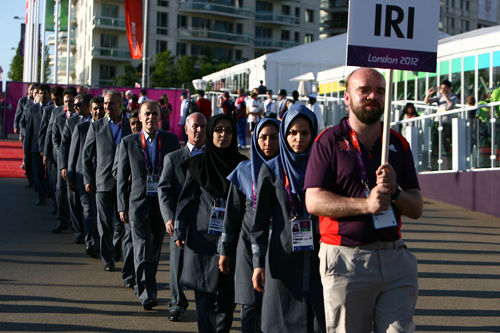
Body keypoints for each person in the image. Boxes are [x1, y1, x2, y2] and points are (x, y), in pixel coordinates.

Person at [304, 68, 422, 332]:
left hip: (394, 259)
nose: (373, 96)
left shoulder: (398, 143)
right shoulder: (329, 141)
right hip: (346, 260)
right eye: (364, 90)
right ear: (347, 97)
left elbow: (416, 207)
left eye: (380, 91)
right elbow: (313, 201)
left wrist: (397, 193)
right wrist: (365, 205)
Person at [251, 105, 324, 333]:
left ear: (313, 133)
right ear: (285, 134)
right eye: (292, 132)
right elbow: (260, 222)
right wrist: (257, 263)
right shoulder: (271, 170)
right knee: (281, 325)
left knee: (320, 322)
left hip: (319, 260)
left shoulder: (324, 167)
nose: (298, 138)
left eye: (305, 133)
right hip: (283, 260)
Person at [173, 114, 247, 332]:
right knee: (203, 294)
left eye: (228, 131)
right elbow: (185, 200)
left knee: (227, 295)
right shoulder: (197, 164)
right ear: (210, 133)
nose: (223, 135)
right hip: (202, 238)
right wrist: (179, 229)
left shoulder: (243, 165)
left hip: (232, 239)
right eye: (218, 130)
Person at [117, 100, 180, 310]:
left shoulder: (170, 140)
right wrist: (121, 206)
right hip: (137, 202)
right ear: (140, 117)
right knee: (142, 248)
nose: (151, 118)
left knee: (153, 250)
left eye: (155, 114)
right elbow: (121, 177)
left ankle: (144, 282)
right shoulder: (128, 142)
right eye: (147, 114)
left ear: (160, 116)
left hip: (161, 205)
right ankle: (147, 293)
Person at [220, 118, 280, 333]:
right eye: (263, 137)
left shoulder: (290, 170)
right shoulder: (244, 170)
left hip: (279, 245)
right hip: (248, 246)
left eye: (274, 137)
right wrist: (225, 250)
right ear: (255, 139)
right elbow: (233, 214)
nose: (268, 143)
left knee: (277, 308)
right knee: (250, 307)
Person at [158, 112, 207, 321]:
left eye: (203, 126)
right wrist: (169, 217)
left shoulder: (211, 158)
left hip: (206, 220)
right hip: (180, 220)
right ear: (186, 129)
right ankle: (176, 302)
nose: (199, 130)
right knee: (177, 264)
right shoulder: (173, 158)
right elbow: (164, 190)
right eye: (195, 126)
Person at [83, 89, 132, 272]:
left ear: (120, 104)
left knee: (121, 221)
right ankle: (107, 258)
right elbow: (86, 155)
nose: (107, 107)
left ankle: (117, 247)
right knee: (104, 223)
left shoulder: (129, 126)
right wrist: (88, 178)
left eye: (111, 103)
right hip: (102, 181)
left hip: (124, 182)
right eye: (105, 103)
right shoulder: (96, 126)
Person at [67, 96, 105, 258]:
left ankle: (103, 243)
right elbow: (73, 153)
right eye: (95, 108)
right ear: (90, 110)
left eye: (101, 108)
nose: (98, 111)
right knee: (89, 211)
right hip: (84, 176)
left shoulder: (111, 129)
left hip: (104, 178)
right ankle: (91, 243)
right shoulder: (81, 128)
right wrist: (70, 176)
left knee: (102, 213)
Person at [55, 92, 88, 244]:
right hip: (75, 167)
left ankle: (90, 232)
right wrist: (64, 166)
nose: (74, 107)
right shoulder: (72, 122)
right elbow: (64, 146)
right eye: (73, 105)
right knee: (73, 199)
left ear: (87, 106)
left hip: (93, 168)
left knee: (90, 205)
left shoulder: (98, 121)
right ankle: (78, 230)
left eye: (78, 105)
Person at [44, 86, 76, 233]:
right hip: (61, 159)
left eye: (70, 101)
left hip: (76, 160)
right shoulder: (57, 116)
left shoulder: (80, 117)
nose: (68, 104)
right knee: (60, 190)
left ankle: (75, 222)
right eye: (66, 101)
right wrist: (54, 152)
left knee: (74, 192)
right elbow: (53, 136)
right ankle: (61, 220)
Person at [21, 83, 52, 206]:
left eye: (45, 93)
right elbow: (29, 129)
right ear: (37, 95)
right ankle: (41, 195)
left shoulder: (53, 109)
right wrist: (27, 146)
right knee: (38, 173)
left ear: (49, 95)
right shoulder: (32, 109)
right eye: (41, 93)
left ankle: (50, 193)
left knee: (50, 174)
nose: (43, 95)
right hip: (35, 146)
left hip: (49, 147)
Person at [424, 79, 458, 153]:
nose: (443, 90)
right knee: (435, 136)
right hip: (438, 120)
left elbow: (451, 104)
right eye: (442, 88)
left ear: (450, 88)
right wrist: (428, 94)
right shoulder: (440, 97)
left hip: (447, 121)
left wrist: (444, 94)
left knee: (444, 137)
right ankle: (435, 151)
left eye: (445, 88)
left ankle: (447, 150)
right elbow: (426, 101)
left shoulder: (453, 97)